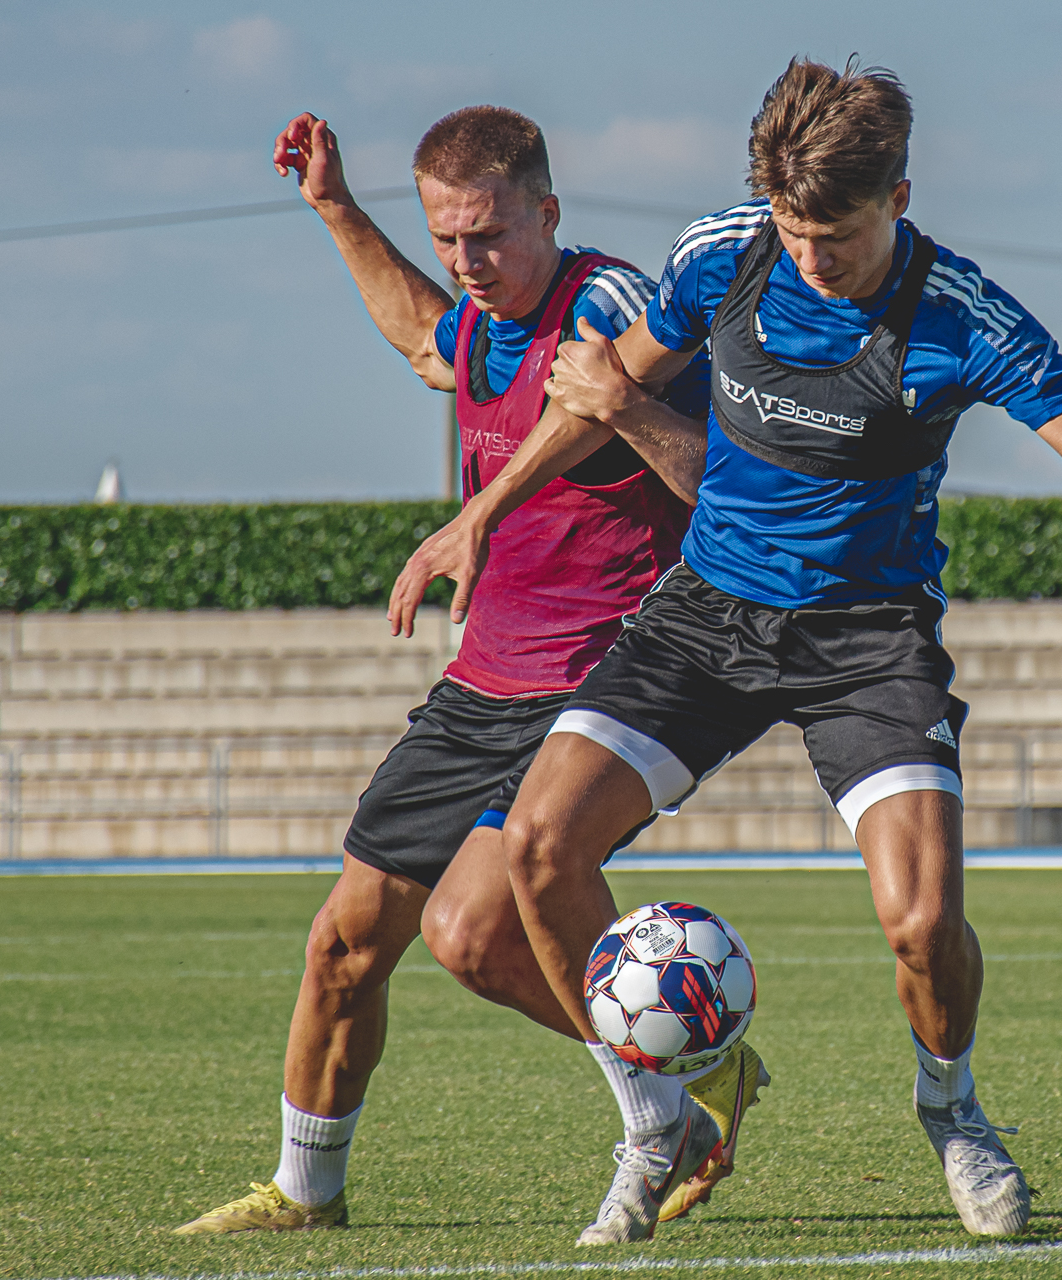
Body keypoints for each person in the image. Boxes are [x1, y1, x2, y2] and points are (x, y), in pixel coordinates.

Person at [506, 57, 1062, 1239]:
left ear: (900, 197)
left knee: (923, 923)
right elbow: (611, 382)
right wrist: (481, 512)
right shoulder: (718, 255)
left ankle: (953, 1105)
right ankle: (654, 1120)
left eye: (837, 234)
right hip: (706, 616)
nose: (811, 256)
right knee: (539, 848)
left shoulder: (965, 319)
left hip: (869, 641)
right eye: (793, 229)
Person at [173, 105, 767, 1241]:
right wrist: (337, 210)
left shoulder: (612, 306)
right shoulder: (483, 323)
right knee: (344, 943)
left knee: (474, 932)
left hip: (601, 679)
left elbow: (703, 474)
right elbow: (422, 340)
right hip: (481, 682)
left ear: (548, 212)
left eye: (488, 234)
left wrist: (479, 514)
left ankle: (673, 1100)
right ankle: (305, 1191)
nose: (467, 261)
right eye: (448, 238)